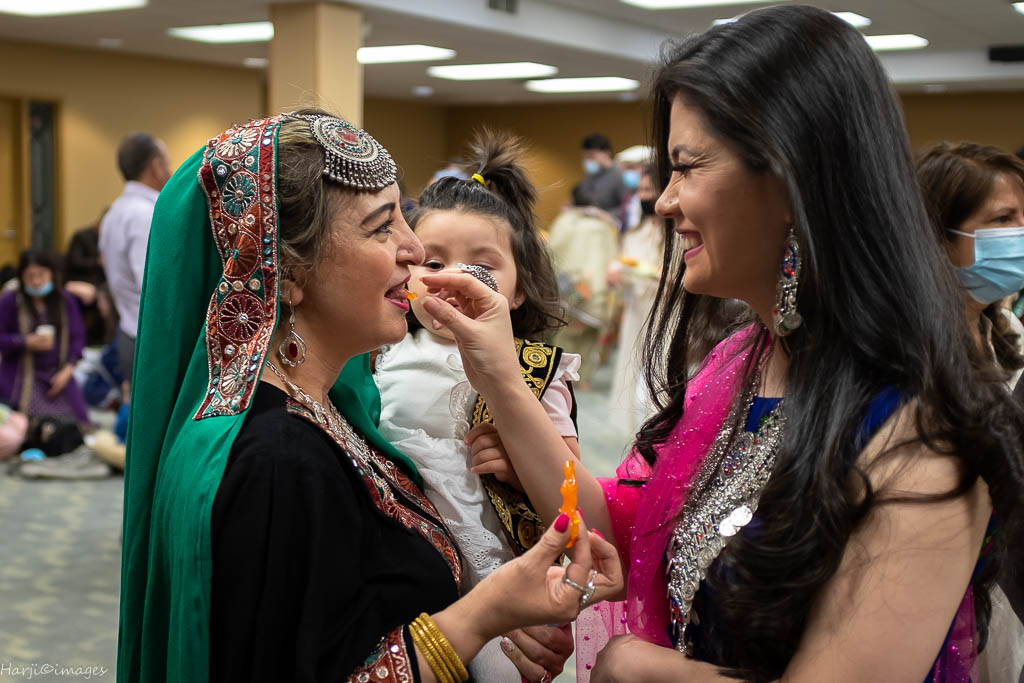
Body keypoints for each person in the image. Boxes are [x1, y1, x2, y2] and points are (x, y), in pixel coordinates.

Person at [415, 6, 1024, 681]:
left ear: (791, 177)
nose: (664, 202)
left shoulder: (921, 429)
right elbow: (621, 530)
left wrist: (638, 667)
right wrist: (500, 371)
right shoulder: (743, 362)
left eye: (686, 167)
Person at [116, 110, 623, 683]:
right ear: (286, 274)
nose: (414, 250)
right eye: (384, 227)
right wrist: (484, 614)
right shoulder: (277, 460)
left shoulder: (330, 409)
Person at [376, 130, 578, 681]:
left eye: (481, 266)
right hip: (400, 558)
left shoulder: (536, 369)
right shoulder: (379, 355)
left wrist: (518, 467)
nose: (453, 279)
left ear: (516, 290)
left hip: (493, 566)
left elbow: (571, 493)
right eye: (432, 261)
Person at [916, 141, 1024, 683]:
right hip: (934, 603)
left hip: (999, 590)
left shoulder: (997, 328)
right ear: (939, 236)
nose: (1021, 235)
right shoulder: (911, 356)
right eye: (1004, 220)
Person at [99, 132, 171, 385]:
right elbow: (154, 287)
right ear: (156, 166)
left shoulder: (114, 213)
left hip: (130, 333)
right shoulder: (145, 215)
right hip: (154, 342)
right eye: (167, 161)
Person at [0, 249, 89, 424]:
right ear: (21, 277)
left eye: (41, 275)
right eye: (29, 276)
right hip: (22, 376)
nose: (36, 281)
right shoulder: (11, 300)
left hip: (58, 375)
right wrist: (24, 342)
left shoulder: (65, 300)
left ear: (52, 273)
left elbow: (78, 337)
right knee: (30, 424)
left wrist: (68, 369)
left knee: (77, 424)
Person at [607, 164, 663, 434]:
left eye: (649, 190)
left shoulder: (676, 234)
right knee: (630, 367)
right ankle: (633, 431)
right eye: (641, 190)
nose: (644, 196)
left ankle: (659, 428)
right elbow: (626, 265)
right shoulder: (635, 232)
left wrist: (653, 272)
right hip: (637, 307)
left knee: (660, 373)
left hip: (665, 311)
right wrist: (616, 273)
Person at [572, 133, 628, 219]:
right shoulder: (590, 176)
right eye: (584, 156)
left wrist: (603, 214)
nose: (587, 160)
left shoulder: (619, 176)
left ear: (606, 153)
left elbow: (628, 209)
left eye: (591, 155)